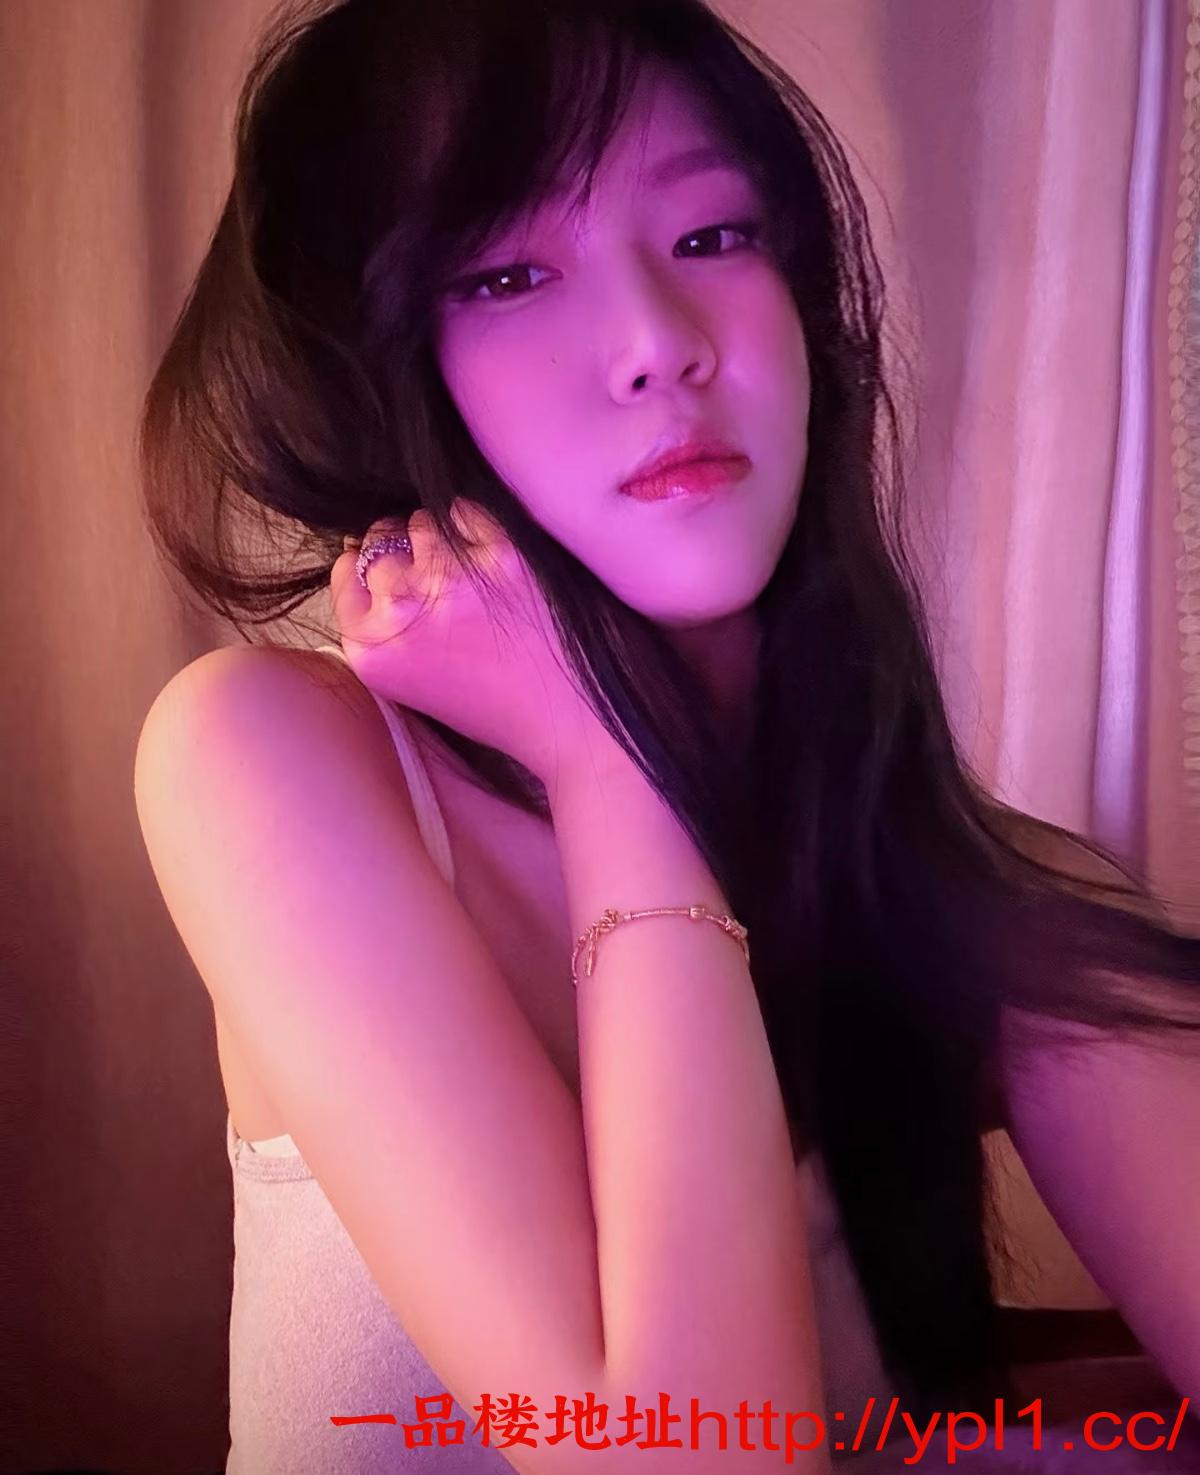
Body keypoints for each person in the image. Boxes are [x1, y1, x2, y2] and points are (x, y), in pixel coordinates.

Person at [131, 0, 1200, 1470]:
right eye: (505, 273)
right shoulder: (268, 753)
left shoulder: (960, 888)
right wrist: (606, 759)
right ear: (360, 371)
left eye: (713, 237)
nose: (658, 344)